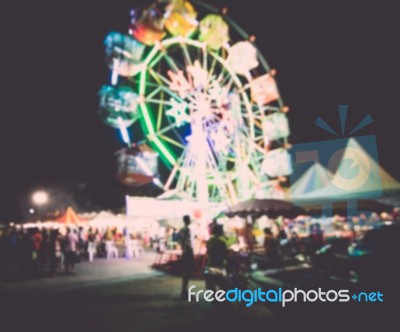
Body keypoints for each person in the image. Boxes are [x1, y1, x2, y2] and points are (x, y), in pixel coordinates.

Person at [205, 224, 229, 292]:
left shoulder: (210, 241)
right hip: (219, 264)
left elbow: (208, 251)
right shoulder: (221, 241)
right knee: (223, 282)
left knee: (211, 283)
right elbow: (225, 253)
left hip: (210, 263)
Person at [178, 215, 194, 299]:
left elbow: (180, 241)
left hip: (184, 251)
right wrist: (190, 250)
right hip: (188, 252)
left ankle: (184, 290)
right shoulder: (187, 230)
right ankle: (184, 291)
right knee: (187, 271)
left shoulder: (181, 230)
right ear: (187, 220)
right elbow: (189, 242)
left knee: (186, 271)